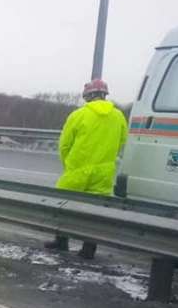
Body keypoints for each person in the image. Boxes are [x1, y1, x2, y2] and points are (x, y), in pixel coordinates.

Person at [45, 78, 129, 259]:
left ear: (87, 96)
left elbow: (65, 145)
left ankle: (61, 242)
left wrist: (68, 164)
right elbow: (122, 140)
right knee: (94, 211)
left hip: (77, 168)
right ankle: (88, 250)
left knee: (63, 205)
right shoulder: (118, 116)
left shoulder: (78, 115)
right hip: (104, 170)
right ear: (105, 95)